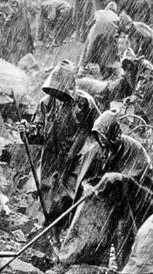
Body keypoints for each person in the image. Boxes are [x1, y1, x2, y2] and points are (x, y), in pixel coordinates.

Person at [52, 110, 153, 274]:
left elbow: (143, 182)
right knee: (85, 215)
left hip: (130, 201)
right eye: (99, 138)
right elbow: (86, 176)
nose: (101, 142)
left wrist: (120, 179)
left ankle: (127, 273)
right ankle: (68, 261)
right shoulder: (96, 149)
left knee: (124, 231)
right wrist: (87, 185)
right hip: (104, 199)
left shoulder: (134, 149)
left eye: (105, 138)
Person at [20, 60, 100, 237]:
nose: (58, 95)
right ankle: (50, 235)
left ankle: (69, 234)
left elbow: (100, 130)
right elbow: (37, 134)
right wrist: (26, 131)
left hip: (77, 158)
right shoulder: (45, 104)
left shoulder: (85, 103)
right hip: (51, 159)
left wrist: (92, 153)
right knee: (48, 198)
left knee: (71, 197)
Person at [118, 49, 153, 132]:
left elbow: (143, 80)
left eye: (129, 62)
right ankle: (144, 129)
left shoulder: (144, 65)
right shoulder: (130, 69)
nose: (128, 66)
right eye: (126, 64)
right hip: (147, 91)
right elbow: (126, 79)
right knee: (145, 110)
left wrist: (136, 95)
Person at [78, 1, 120, 78]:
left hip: (95, 32)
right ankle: (105, 70)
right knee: (104, 54)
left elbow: (89, 23)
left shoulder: (100, 13)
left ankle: (82, 68)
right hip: (106, 35)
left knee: (87, 50)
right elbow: (116, 30)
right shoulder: (115, 17)